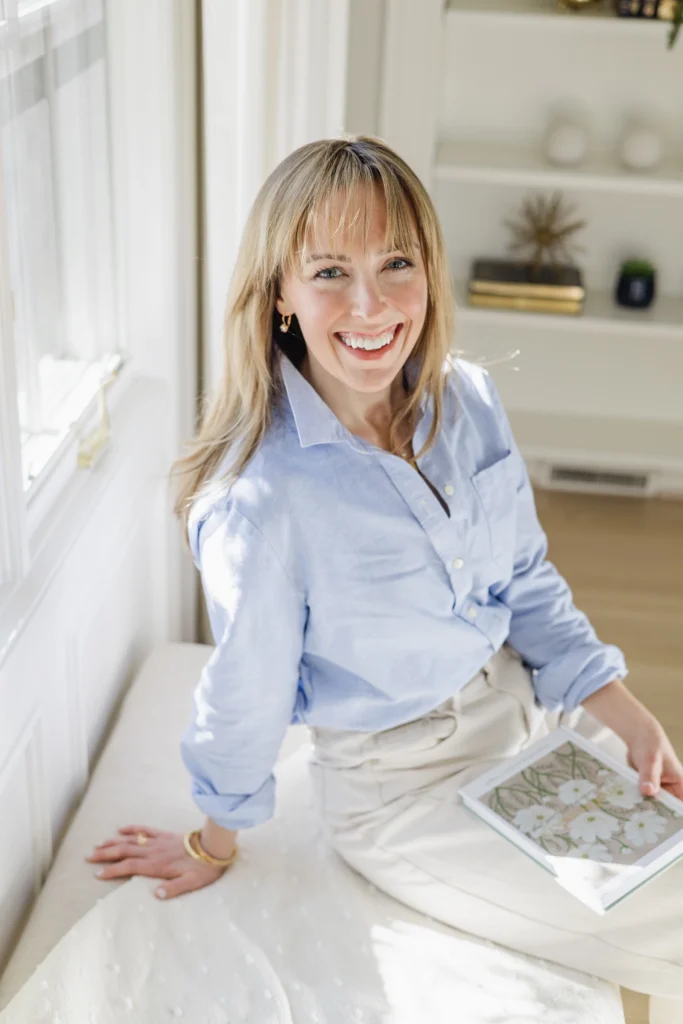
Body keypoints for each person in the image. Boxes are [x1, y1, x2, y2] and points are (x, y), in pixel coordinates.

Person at [85, 135, 683, 1020]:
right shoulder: (260, 501)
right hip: (404, 793)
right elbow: (245, 692)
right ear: (280, 293)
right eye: (328, 271)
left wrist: (628, 717)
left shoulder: (468, 400)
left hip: (532, 724)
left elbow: (525, 579)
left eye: (394, 263)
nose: (368, 305)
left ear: (429, 272)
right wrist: (213, 842)